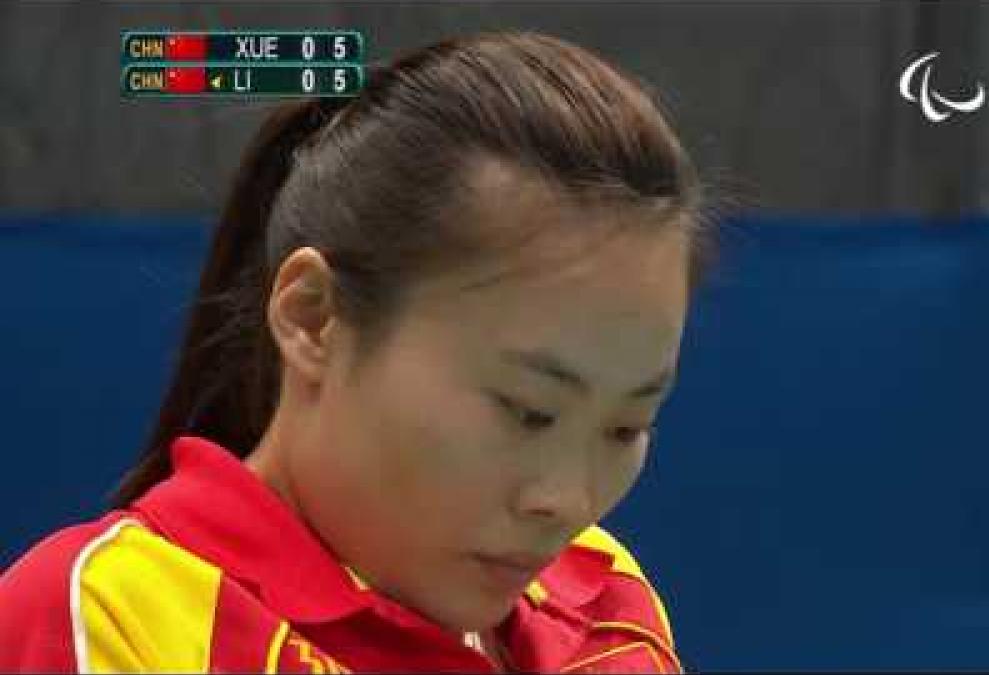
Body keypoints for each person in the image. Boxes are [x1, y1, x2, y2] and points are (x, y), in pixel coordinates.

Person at [0, 31, 713, 673]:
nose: (565, 500)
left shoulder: (609, 605)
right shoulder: (110, 615)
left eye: (626, 426)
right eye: (528, 412)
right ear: (313, 316)